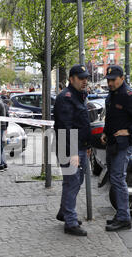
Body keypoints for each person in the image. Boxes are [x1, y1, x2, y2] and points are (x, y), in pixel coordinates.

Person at [100, 65, 132, 232]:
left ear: (122, 78)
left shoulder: (128, 95)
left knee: (117, 178)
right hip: (112, 142)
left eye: (113, 80)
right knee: (114, 179)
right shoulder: (113, 93)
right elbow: (111, 117)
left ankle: (124, 218)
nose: (110, 83)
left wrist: (130, 130)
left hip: (123, 144)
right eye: (108, 80)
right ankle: (120, 214)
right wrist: (104, 132)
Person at [54, 64, 92, 236]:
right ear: (71, 79)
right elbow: (66, 128)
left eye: (86, 78)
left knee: (74, 182)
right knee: (72, 183)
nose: (85, 81)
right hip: (68, 146)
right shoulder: (66, 97)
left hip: (79, 146)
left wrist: (87, 145)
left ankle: (64, 212)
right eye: (81, 78)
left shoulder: (78, 95)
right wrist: (75, 152)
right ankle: (70, 222)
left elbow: (82, 124)